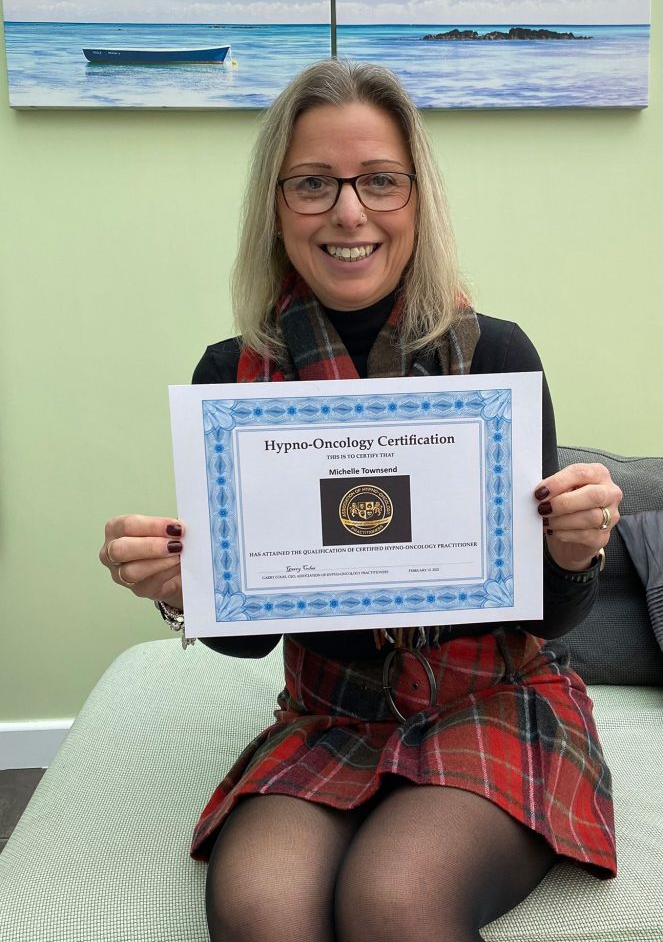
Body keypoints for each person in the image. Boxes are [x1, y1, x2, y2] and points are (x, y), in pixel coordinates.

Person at [100, 60, 623, 942]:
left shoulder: (495, 356)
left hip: (488, 701)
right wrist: (181, 588)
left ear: (417, 199)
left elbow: (548, 609)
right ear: (275, 205)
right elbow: (248, 635)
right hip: (328, 711)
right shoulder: (231, 376)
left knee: (393, 904)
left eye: (379, 180)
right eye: (312, 184)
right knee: (262, 910)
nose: (349, 212)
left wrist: (573, 552)